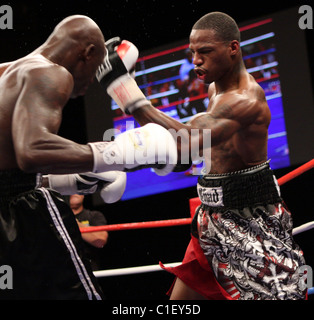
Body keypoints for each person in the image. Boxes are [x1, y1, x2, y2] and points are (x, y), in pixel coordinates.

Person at [96, 12, 306, 300]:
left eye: (205, 52)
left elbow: (190, 140)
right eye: (193, 52)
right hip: (210, 219)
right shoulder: (214, 89)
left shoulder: (246, 100)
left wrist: (125, 91)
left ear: (233, 48)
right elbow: (199, 147)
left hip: (250, 222)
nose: (195, 60)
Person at [0, 15, 177, 300]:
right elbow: (30, 151)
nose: (90, 83)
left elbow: (9, 162)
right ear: (87, 53)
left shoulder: (8, 71)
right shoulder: (51, 73)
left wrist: (68, 178)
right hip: (19, 215)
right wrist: (115, 153)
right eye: (95, 70)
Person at [70, 194, 108, 271]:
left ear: (83, 195)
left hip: (89, 266)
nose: (74, 193)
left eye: (76, 189)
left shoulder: (94, 216)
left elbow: (100, 241)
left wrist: (73, 223)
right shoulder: (55, 219)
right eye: (70, 190)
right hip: (65, 268)